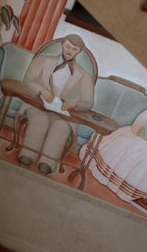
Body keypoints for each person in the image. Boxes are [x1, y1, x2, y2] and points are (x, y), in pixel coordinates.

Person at [18, 33, 96, 174]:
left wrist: (74, 104)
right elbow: (28, 80)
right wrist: (42, 90)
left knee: (61, 126)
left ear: (79, 52)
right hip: (38, 106)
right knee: (40, 119)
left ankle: (47, 163)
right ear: (62, 45)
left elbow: (88, 102)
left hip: (63, 114)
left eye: (74, 49)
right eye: (67, 46)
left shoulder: (85, 76)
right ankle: (28, 155)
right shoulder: (43, 60)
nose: (69, 51)